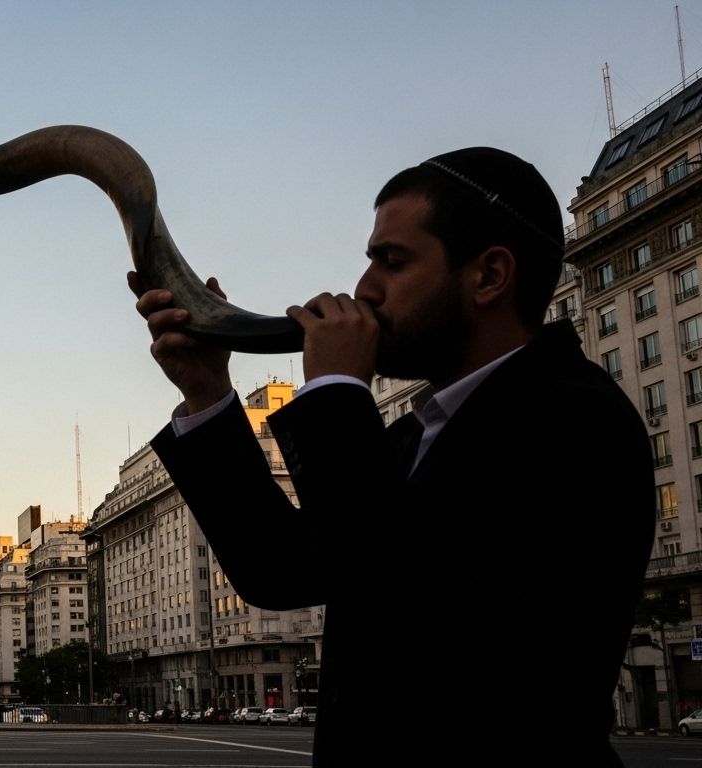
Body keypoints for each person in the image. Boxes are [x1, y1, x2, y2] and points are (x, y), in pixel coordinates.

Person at [133, 147, 653, 766]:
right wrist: (208, 392)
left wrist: (334, 395)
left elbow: (403, 599)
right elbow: (282, 568)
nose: (364, 289)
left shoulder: (572, 418)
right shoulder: (418, 432)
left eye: (393, 261)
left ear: (488, 275)